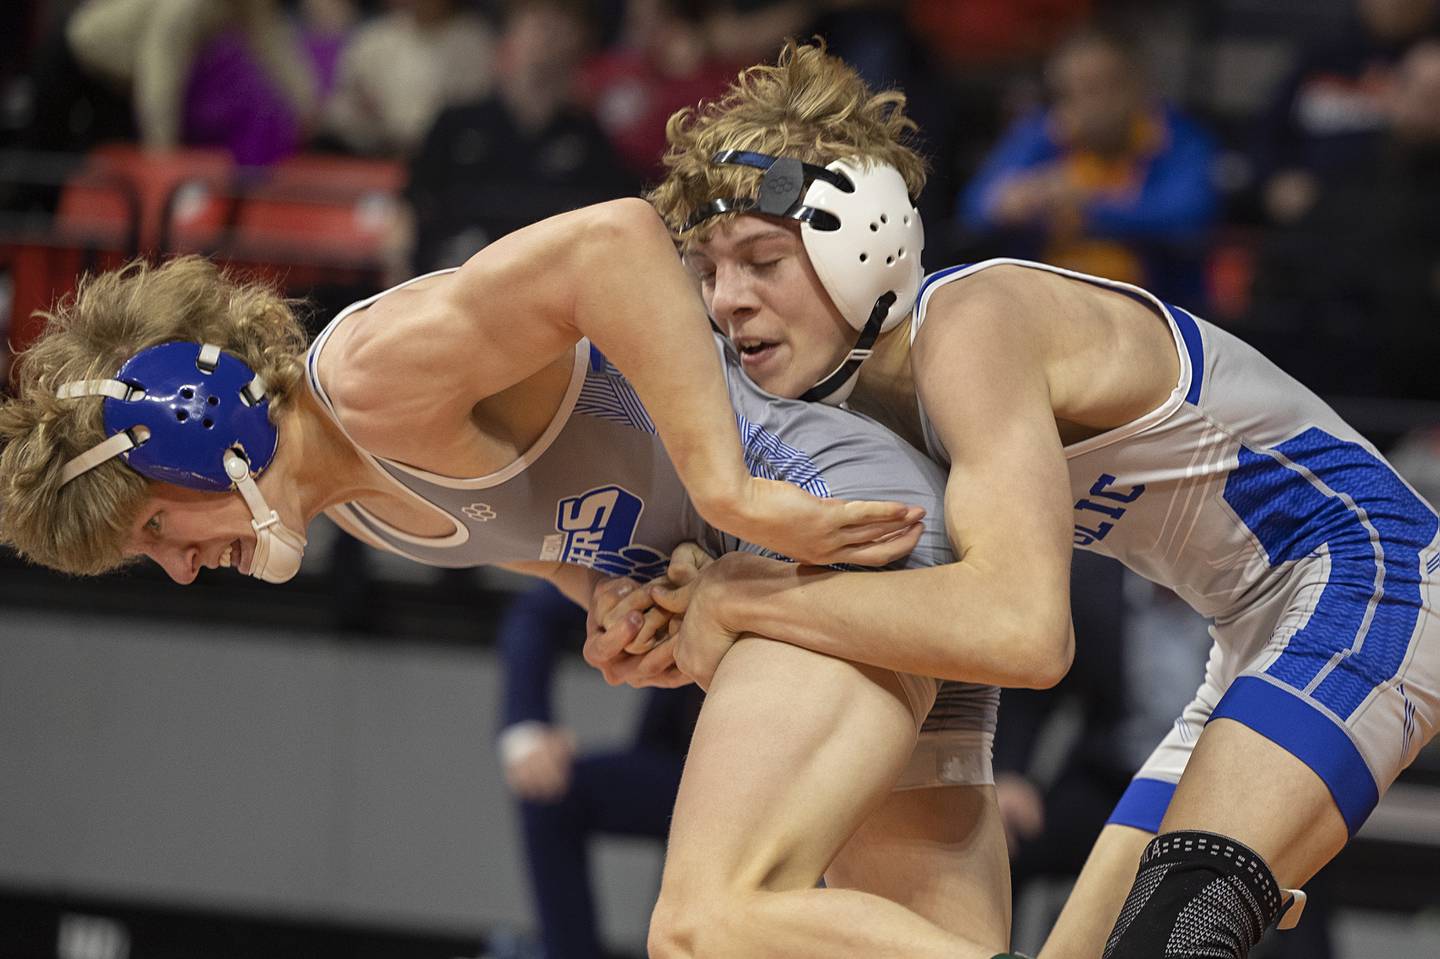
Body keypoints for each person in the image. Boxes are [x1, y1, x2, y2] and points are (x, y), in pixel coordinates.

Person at [588, 40, 1440, 959]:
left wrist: (742, 599)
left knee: (1179, 927)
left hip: (1368, 574)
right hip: (1244, 630)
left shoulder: (971, 327)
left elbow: (1026, 633)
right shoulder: (841, 423)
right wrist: (670, 606)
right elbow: (906, 620)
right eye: (709, 270)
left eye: (760, 259)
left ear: (862, 234)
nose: (727, 301)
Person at [0, 198, 1015, 957]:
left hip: (835, 518)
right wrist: (622, 612)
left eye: (156, 528)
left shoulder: (372, 375)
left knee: (704, 922)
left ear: (201, 425)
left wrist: (728, 487)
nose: (180, 568)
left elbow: (614, 241)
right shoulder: (362, 504)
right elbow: (608, 553)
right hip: (826, 568)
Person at [496, 582, 703, 959]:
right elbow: (538, 610)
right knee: (552, 792)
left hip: (781, 778)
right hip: (681, 763)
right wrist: (527, 725)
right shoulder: (687, 544)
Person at [959, 26, 1217, 306]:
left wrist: (1088, 205)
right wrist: (1016, 201)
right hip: (1042, 306)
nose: (1083, 106)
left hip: (1153, 310)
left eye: (1096, 89)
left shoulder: (1177, 138)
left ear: (1137, 86)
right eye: (1068, 93)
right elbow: (975, 208)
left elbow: (1190, 219)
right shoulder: (1043, 135)